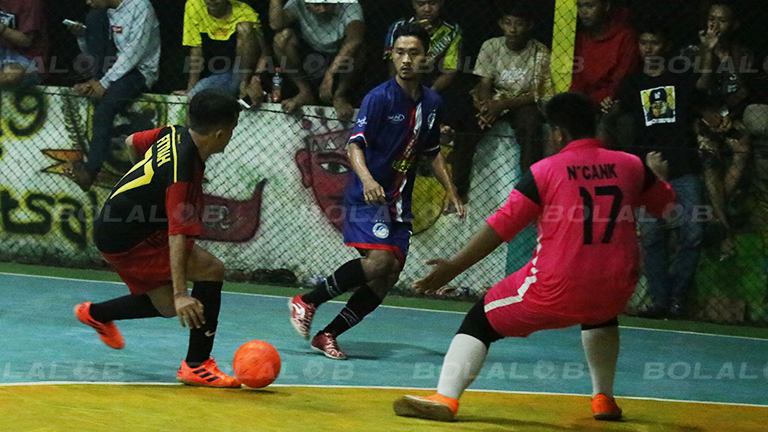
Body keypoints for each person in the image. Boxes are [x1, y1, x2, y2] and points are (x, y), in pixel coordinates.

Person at [391, 92, 676, 422]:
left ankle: (445, 398)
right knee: (599, 312)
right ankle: (603, 399)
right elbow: (667, 207)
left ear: (557, 133)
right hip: (616, 288)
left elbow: (500, 228)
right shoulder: (632, 165)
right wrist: (659, 177)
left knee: (479, 321)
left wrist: (453, 267)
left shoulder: (546, 171)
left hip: (556, 288)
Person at [289, 23, 466, 360]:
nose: (406, 59)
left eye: (414, 53)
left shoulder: (432, 102)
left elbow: (431, 152)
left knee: (386, 277)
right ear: (392, 55)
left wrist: (451, 189)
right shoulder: (379, 98)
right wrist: (369, 180)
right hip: (366, 196)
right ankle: (307, 301)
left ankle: (328, 334)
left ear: (426, 57)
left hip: (400, 202)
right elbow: (355, 146)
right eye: (400, 52)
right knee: (378, 262)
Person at [74, 89, 243, 388]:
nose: (231, 135)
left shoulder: (172, 133)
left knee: (164, 307)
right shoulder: (184, 173)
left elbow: (131, 142)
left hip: (117, 226)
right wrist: (181, 294)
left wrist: (145, 185)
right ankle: (197, 365)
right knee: (210, 269)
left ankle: (95, 314)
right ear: (220, 134)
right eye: (232, 130)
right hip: (129, 239)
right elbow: (177, 234)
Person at [612, 21, 704, 319]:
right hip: (647, 169)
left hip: (683, 165)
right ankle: (659, 301)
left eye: (654, 43)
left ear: (664, 46)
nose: (648, 49)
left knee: (693, 232)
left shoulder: (681, 78)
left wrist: (711, 50)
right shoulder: (631, 84)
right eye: (644, 43)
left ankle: (677, 299)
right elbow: (617, 125)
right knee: (652, 236)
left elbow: (703, 92)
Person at [449, 2, 551, 207]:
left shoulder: (540, 51)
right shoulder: (491, 45)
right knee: (467, 125)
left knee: (530, 125)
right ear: (501, 24)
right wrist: (487, 107)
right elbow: (484, 83)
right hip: (494, 98)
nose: (512, 29)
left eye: (519, 24)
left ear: (529, 25)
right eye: (508, 23)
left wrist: (503, 105)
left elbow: (536, 94)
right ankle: (458, 191)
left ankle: (529, 194)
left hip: (521, 102)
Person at [64, 0, 161, 192]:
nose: (88, 2)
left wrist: (103, 83)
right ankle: (94, 83)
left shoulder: (140, 7)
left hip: (140, 70)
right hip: (112, 69)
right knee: (94, 17)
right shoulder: (102, 12)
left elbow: (134, 54)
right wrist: (83, 38)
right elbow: (96, 54)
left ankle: (90, 172)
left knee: (105, 108)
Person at [683, 0, 752, 261]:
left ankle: (712, 215)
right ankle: (725, 233)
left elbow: (744, 91)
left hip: (727, 116)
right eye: (712, 18)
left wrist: (728, 117)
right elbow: (696, 91)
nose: (715, 24)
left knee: (743, 145)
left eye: (722, 20)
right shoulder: (692, 51)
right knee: (709, 154)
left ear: (734, 25)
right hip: (701, 114)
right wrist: (708, 53)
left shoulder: (741, 54)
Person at [269, 0, 365, 122]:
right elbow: (276, 24)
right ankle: (304, 92)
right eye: (316, 5)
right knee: (282, 38)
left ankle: (340, 96)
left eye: (327, 4)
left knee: (360, 48)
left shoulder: (349, 4)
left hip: (341, 57)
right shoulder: (298, 3)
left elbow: (355, 39)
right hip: (310, 54)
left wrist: (330, 73)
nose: (323, 9)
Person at [174, 0, 266, 105]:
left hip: (242, 74)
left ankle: (242, 89)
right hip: (216, 73)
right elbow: (196, 50)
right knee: (193, 98)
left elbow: (264, 53)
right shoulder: (194, 5)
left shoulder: (245, 12)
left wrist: (256, 78)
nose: (211, 0)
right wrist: (190, 89)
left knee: (244, 28)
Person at [383, 0, 462, 95]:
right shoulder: (399, 26)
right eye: (421, 4)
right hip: (400, 84)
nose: (427, 9)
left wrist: (429, 94)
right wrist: (398, 90)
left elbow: (450, 69)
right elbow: (392, 63)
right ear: (413, 4)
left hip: (434, 86)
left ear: (441, 3)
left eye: (433, 3)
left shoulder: (452, 31)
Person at [571, 0, 638, 108]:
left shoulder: (625, 36)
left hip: (611, 101)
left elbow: (621, 80)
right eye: (580, 6)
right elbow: (577, 78)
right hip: (582, 102)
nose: (583, 12)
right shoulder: (581, 38)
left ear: (606, 6)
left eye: (590, 6)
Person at [0, 0, 47, 89]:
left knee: (10, 77)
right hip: (2, 50)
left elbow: (25, 41)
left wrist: (2, 29)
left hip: (26, 57)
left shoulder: (30, 3)